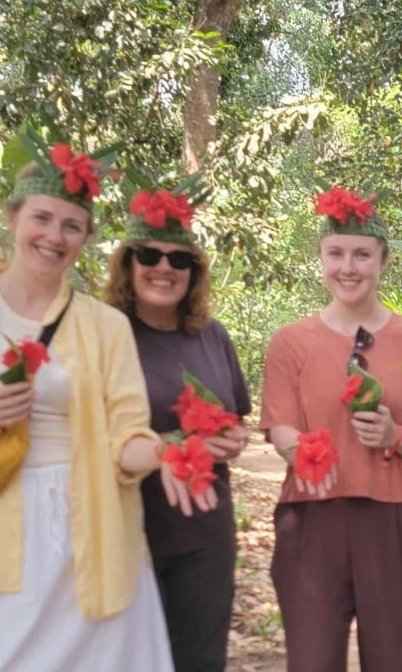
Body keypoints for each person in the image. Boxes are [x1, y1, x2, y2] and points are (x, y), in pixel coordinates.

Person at [0, 144, 215, 672]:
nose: (54, 236)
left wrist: (167, 454)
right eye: (42, 218)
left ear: (85, 238)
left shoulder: (104, 326)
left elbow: (126, 435)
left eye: (72, 226)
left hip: (94, 525)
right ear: (14, 219)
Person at [258, 186, 402, 672]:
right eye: (336, 253)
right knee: (313, 661)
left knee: (399, 662)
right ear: (320, 259)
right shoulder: (290, 343)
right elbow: (278, 425)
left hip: (398, 520)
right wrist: (298, 451)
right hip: (312, 519)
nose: (348, 267)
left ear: (382, 262)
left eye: (362, 255)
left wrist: (394, 437)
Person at [103, 183, 251, 672]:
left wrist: (231, 440)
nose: (164, 268)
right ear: (129, 264)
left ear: (194, 271)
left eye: (179, 260)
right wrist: (178, 443)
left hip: (202, 536)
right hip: (124, 533)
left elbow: (235, 419)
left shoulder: (212, 336)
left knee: (199, 661)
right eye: (149, 254)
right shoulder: (103, 333)